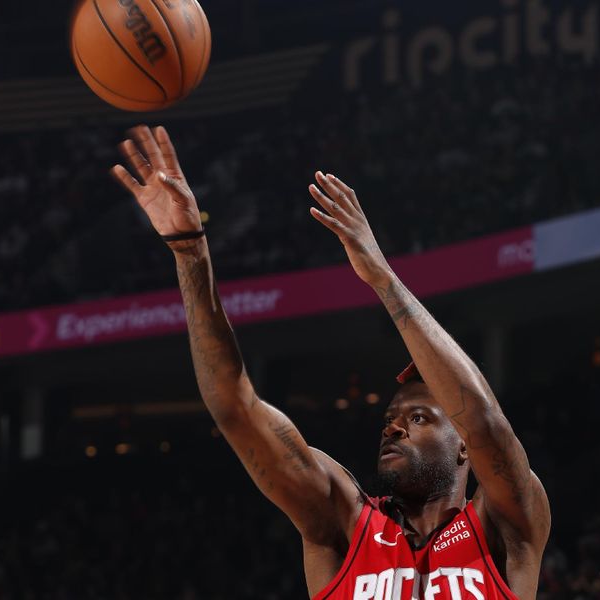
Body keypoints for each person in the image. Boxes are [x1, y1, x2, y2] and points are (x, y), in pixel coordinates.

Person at [111, 125, 551, 600]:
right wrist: (190, 251)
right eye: (391, 419)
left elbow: (485, 423)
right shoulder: (344, 520)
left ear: (463, 446)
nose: (394, 428)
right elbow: (234, 408)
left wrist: (382, 279)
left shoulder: (506, 525)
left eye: (419, 417)